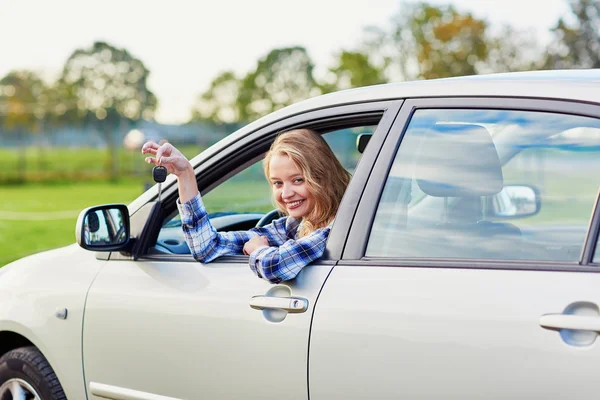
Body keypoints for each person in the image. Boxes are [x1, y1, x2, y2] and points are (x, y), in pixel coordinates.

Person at [141, 129, 351, 283]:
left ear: (323, 178)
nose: (286, 194)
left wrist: (259, 249)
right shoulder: (293, 226)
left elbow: (274, 266)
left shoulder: (334, 230)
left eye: (298, 180)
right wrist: (185, 174)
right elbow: (207, 247)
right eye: (277, 183)